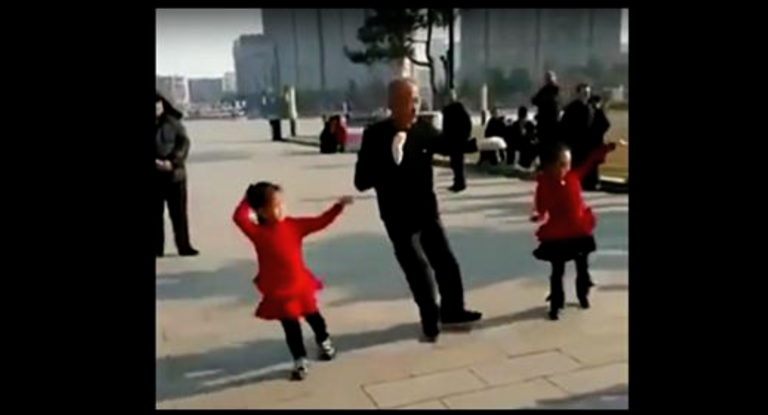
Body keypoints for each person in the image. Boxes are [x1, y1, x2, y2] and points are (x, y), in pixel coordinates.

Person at [354, 78, 482, 342]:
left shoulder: (424, 130)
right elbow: (361, 182)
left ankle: (453, 310)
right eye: (406, 101)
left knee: (446, 262)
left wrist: (476, 141)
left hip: (426, 210)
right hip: (397, 216)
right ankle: (429, 317)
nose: (413, 106)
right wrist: (388, 159)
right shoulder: (375, 135)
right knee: (418, 268)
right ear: (391, 104)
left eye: (415, 100)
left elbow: (448, 145)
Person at [232, 182, 354, 381]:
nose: (282, 209)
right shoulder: (258, 233)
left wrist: (337, 207)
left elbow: (320, 221)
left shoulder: (294, 226)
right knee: (291, 327)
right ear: (262, 211)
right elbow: (238, 217)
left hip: (300, 285)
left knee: (315, 318)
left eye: (283, 204)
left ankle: (324, 341)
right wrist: (248, 198)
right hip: (280, 291)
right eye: (276, 206)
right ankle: (300, 359)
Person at [530, 141, 626, 320]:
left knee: (582, 266)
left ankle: (583, 294)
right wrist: (538, 214)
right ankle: (556, 302)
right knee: (557, 271)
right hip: (557, 233)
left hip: (578, 231)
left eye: (567, 164)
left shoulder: (574, 175)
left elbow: (590, 161)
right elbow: (540, 206)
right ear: (548, 166)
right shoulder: (544, 185)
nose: (565, 168)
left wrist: (604, 148)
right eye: (561, 165)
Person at [155, 93, 199, 258]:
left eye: (157, 105)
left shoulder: (174, 124)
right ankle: (157, 248)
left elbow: (183, 144)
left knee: (179, 214)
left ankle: (184, 246)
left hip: (175, 176)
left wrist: (172, 162)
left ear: (162, 105)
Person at [560, 83, 595, 186]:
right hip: (574, 142)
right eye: (584, 93)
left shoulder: (590, 107)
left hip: (587, 142)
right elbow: (564, 125)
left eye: (588, 93)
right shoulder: (571, 108)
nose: (586, 95)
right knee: (575, 164)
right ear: (578, 94)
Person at [441, 92, 473, 193]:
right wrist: (465, 136)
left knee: (456, 163)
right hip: (458, 140)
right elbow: (468, 124)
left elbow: (445, 128)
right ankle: (459, 182)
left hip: (453, 140)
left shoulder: (450, 111)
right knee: (457, 163)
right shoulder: (459, 111)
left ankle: (459, 183)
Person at [582, 95, 611, 190]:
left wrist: (597, 132)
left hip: (594, 142)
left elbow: (606, 124)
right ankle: (592, 182)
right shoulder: (595, 111)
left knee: (592, 164)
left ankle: (592, 182)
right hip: (594, 141)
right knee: (593, 164)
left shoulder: (597, 112)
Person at [531, 71, 561, 152]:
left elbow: (540, 100)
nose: (548, 80)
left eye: (550, 78)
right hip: (544, 123)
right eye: (547, 78)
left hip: (551, 123)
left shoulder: (554, 90)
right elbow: (535, 100)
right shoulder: (544, 90)